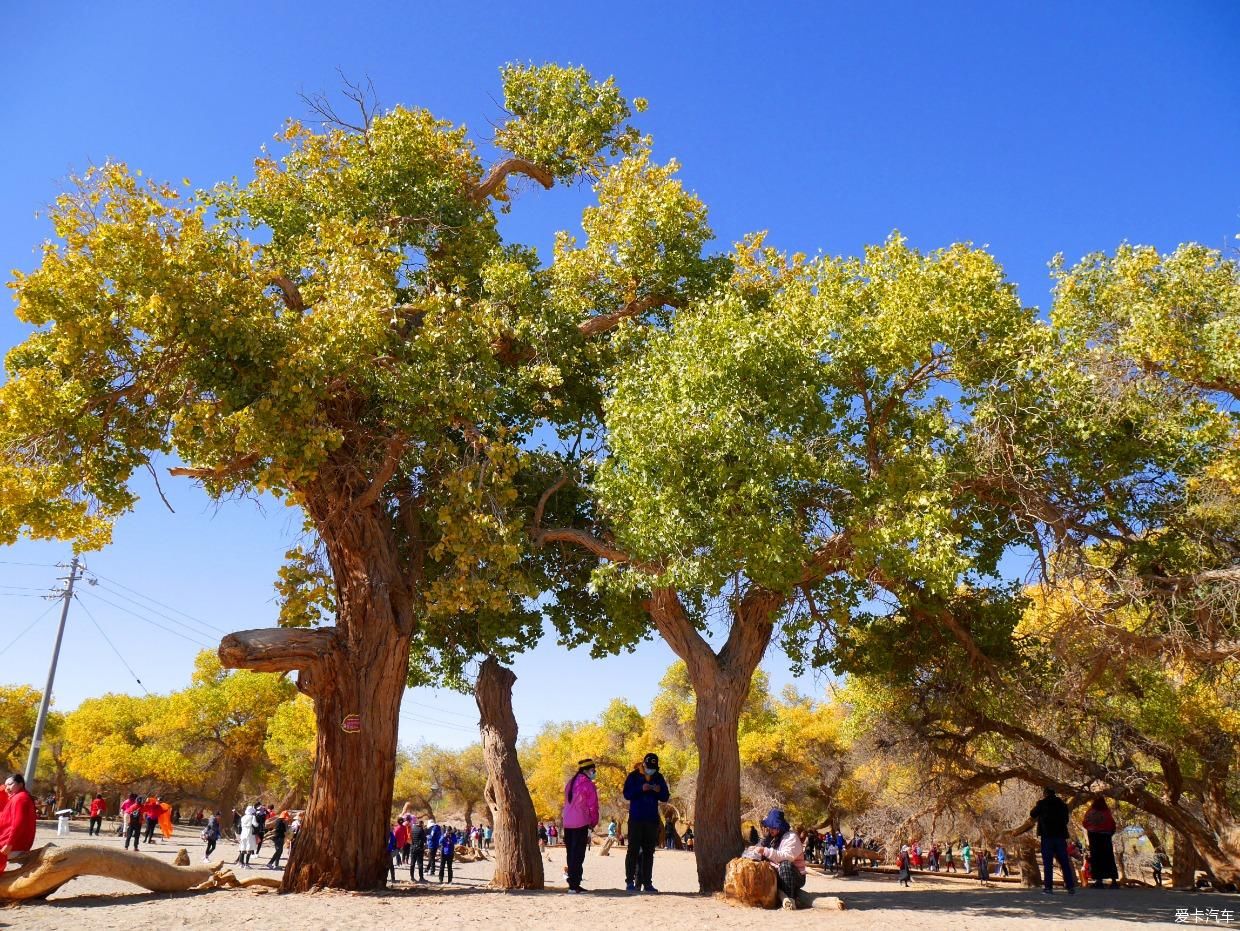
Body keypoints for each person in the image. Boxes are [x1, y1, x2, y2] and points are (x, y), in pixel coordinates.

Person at [623, 753, 669, 893]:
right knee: (633, 850)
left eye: (653, 768)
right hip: (636, 819)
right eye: (649, 767)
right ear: (643, 764)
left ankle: (647, 883)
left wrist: (658, 790)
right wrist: (640, 789)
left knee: (649, 852)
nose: (651, 770)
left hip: (651, 820)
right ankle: (630, 882)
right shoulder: (633, 776)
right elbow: (626, 794)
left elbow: (665, 796)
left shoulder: (658, 777)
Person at [1028, 787, 1077, 894]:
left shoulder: (1042, 803)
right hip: (1060, 836)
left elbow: (1032, 814)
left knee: (1048, 863)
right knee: (1064, 862)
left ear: (1045, 793)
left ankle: (1048, 887)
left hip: (1047, 836)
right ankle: (1070, 886)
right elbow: (1066, 819)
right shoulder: (1062, 805)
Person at [755, 808, 807, 910]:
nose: (770, 829)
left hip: (795, 876)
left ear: (780, 827)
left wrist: (765, 851)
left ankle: (789, 899)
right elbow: (759, 849)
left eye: (773, 827)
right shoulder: (771, 839)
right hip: (777, 873)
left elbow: (787, 856)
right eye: (770, 827)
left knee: (785, 864)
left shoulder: (791, 837)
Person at [562, 757, 600, 894]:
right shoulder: (588, 784)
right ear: (588, 770)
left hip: (567, 822)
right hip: (580, 822)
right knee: (578, 854)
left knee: (570, 854)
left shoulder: (570, 782)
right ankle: (574, 885)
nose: (594, 772)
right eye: (594, 770)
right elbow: (593, 805)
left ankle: (572, 883)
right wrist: (593, 821)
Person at [0, 773, 37, 873]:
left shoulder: (20, 799)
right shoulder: (19, 796)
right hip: (11, 840)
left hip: (13, 843)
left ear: (20, 784)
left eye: (10, 784)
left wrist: (9, 844)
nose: (7, 788)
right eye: (6, 785)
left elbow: (18, 824)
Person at [408, 817, 427, 882]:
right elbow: (424, 839)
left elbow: (410, 837)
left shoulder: (412, 828)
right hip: (419, 848)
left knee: (412, 863)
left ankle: (412, 877)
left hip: (413, 847)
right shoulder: (421, 830)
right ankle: (421, 878)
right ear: (421, 824)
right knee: (420, 864)